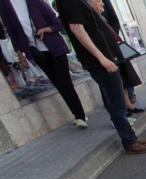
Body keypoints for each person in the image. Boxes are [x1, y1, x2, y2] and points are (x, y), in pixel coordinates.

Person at [53, 0, 146, 153]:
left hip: (106, 59)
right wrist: (102, 58)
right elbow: (77, 29)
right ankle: (129, 142)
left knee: (116, 102)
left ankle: (131, 138)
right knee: (117, 104)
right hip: (101, 62)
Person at [0, 0, 88, 128]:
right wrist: (20, 53)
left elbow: (58, 23)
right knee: (58, 83)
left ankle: (80, 116)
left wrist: (46, 29)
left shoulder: (35, 2)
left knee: (65, 82)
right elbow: (12, 31)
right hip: (36, 52)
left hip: (54, 48)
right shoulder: (4, 4)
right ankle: (78, 114)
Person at [91, 0, 142, 118]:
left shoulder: (102, 14)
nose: (102, 3)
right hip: (104, 53)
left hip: (114, 45)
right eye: (99, 1)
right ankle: (121, 115)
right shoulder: (88, 14)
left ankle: (128, 105)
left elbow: (114, 20)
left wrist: (112, 39)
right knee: (113, 84)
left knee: (123, 77)